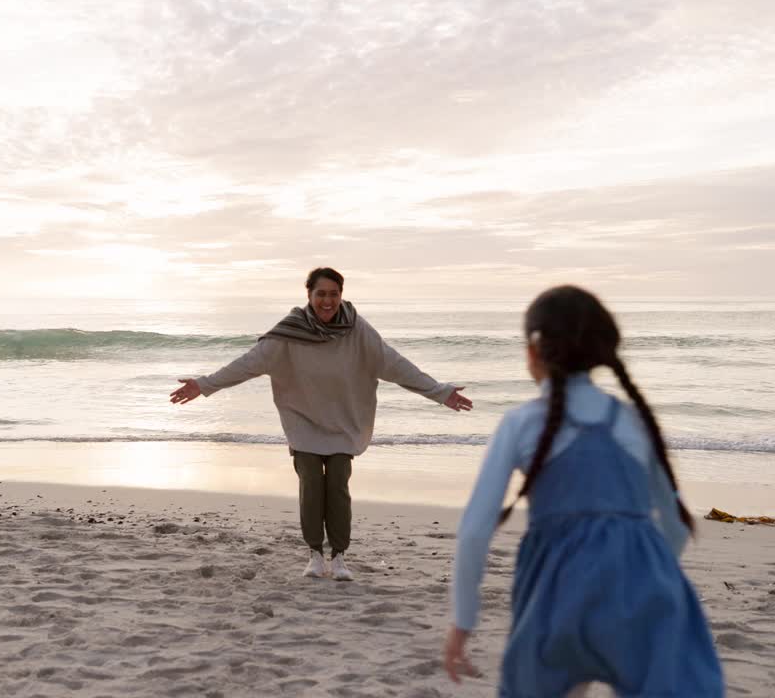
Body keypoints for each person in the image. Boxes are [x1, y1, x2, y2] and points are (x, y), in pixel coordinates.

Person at [442, 285, 723, 697]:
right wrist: (645, 576)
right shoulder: (633, 420)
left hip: (558, 593)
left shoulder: (521, 423)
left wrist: (462, 623)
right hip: (642, 589)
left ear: (534, 350)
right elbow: (678, 527)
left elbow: (474, 532)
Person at [170, 267, 472, 581]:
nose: (327, 301)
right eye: (321, 294)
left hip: (344, 423)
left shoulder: (357, 330)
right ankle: (315, 554)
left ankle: (339, 556)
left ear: (341, 295)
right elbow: (248, 364)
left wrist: (440, 393)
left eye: (334, 294)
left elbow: (394, 364)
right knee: (312, 484)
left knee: (338, 483)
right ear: (309, 296)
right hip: (304, 421)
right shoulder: (290, 331)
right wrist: (205, 385)